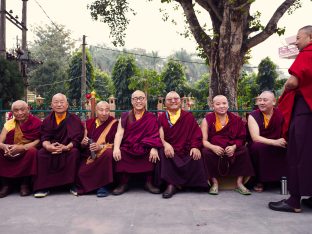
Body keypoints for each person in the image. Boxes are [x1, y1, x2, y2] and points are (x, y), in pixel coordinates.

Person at [269, 25, 312, 213]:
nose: (296, 41)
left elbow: (293, 81)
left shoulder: (308, 53)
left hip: (305, 111)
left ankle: (294, 201)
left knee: (297, 153)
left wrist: (286, 88)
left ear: (310, 38)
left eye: (299, 37)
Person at [158, 91, 208, 199]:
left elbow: (196, 133)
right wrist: (166, 144)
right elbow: (158, 136)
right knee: (163, 152)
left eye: (176, 98)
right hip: (170, 151)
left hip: (186, 149)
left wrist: (195, 146)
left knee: (197, 154)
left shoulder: (188, 116)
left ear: (180, 101)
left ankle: (188, 184)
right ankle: (170, 184)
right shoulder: (161, 118)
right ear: (165, 103)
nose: (173, 101)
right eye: (169, 99)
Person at [201, 95, 254, 195]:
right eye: (218, 104)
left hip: (232, 147)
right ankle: (215, 183)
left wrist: (234, 147)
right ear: (213, 106)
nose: (222, 106)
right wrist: (213, 147)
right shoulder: (207, 120)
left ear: (228, 105)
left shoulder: (236, 120)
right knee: (205, 152)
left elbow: (241, 139)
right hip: (215, 149)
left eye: (224, 103)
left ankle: (239, 183)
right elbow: (204, 141)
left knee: (244, 150)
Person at [33, 93, 84, 198]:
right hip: (51, 147)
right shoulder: (47, 120)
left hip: (68, 148)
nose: (59, 105)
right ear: (51, 105)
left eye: (62, 102)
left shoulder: (74, 119)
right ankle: (44, 186)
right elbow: (44, 138)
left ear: (67, 105)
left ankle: (72, 184)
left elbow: (77, 139)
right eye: (56, 102)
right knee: (41, 154)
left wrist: (66, 147)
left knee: (74, 153)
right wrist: (48, 147)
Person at [112, 90, 162, 195]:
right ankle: (123, 183)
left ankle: (148, 182)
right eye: (135, 99)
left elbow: (155, 135)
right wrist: (116, 148)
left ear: (145, 100)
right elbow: (119, 133)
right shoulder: (125, 116)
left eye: (141, 98)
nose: (138, 101)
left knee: (151, 153)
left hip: (145, 147)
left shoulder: (151, 117)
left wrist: (154, 148)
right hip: (129, 147)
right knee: (121, 151)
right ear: (131, 101)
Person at [247, 91, 287, 192]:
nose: (261, 102)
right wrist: (275, 142)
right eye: (259, 100)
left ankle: (284, 180)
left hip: (278, 142)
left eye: (265, 100)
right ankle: (260, 181)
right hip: (260, 143)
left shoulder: (280, 114)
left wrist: (282, 141)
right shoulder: (253, 115)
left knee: (289, 147)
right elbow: (255, 137)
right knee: (258, 147)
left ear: (274, 102)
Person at [0, 100, 41, 198]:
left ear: (28, 109)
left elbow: (39, 141)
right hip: (10, 151)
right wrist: (4, 147)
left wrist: (22, 148)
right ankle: (6, 185)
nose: (19, 113)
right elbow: (0, 141)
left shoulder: (37, 123)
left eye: (22, 110)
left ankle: (25, 184)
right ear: (12, 112)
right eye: (16, 110)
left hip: (25, 151)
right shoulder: (9, 124)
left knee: (33, 152)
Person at [76, 101, 118, 197]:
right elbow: (82, 145)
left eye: (107, 110)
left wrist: (101, 147)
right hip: (90, 155)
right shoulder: (89, 123)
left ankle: (104, 186)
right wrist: (83, 143)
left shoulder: (114, 123)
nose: (104, 113)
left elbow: (117, 143)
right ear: (95, 111)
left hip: (104, 155)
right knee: (81, 172)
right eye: (101, 110)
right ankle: (93, 187)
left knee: (108, 153)